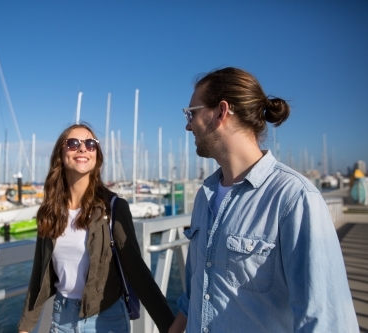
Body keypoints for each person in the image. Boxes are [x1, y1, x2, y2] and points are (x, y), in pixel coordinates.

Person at [169, 67, 358, 332]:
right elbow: (196, 289)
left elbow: (325, 319)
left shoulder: (294, 198)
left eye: (192, 113)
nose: (188, 125)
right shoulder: (205, 195)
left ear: (221, 112)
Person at [18, 123, 175, 333]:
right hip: (61, 318)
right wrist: (25, 328)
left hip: (105, 318)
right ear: (60, 154)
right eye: (73, 143)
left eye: (90, 144)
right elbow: (39, 274)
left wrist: (170, 326)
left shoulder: (113, 208)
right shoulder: (50, 212)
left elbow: (137, 271)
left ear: (96, 156)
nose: (83, 148)